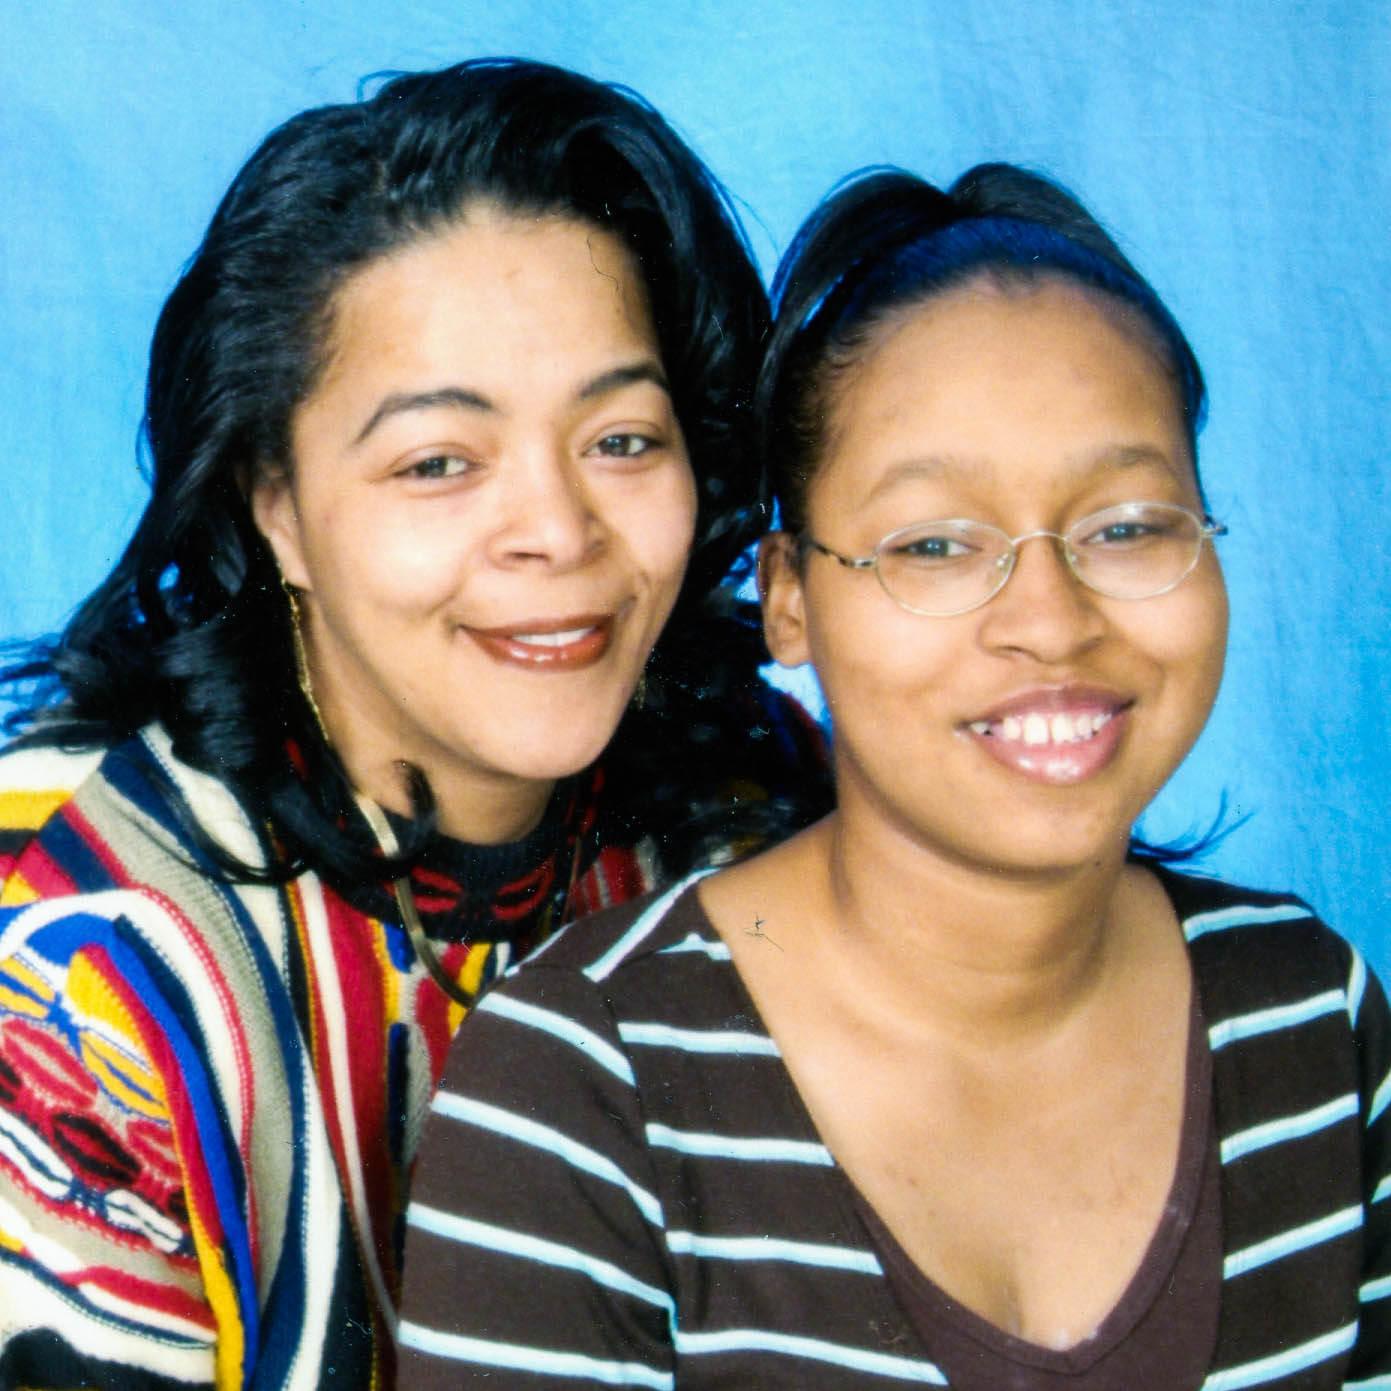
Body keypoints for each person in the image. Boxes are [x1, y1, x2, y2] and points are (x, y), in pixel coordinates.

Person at [397, 163, 1391, 1388]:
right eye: (932, 543)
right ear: (789, 600)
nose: (1050, 618)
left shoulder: (1303, 1013)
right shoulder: (583, 1081)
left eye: (1127, 525)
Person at [0, 59, 827, 1391]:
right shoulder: (82, 963)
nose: (558, 532)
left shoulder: (757, 790)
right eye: (439, 461)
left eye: (620, 438)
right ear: (274, 500)